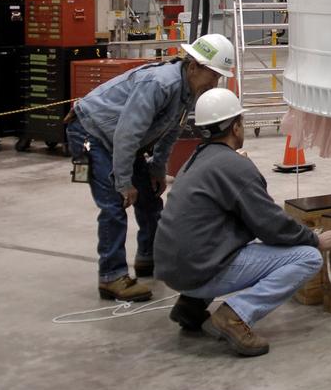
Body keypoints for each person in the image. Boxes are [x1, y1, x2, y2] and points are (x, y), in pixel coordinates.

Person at [155, 88, 331, 357]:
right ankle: (235, 316)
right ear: (235, 127)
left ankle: (191, 306)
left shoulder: (195, 160)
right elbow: (271, 225)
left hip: (173, 268)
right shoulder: (234, 166)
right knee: (307, 257)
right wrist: (315, 239)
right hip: (200, 269)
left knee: (221, 238)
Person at [65, 34, 235, 302]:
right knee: (114, 204)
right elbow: (127, 134)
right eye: (213, 75)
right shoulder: (160, 83)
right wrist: (123, 182)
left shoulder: (189, 89)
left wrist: (157, 168)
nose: (215, 82)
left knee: (150, 200)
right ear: (194, 66)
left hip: (120, 139)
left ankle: (149, 257)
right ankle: (111, 277)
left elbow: (170, 131)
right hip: (93, 133)